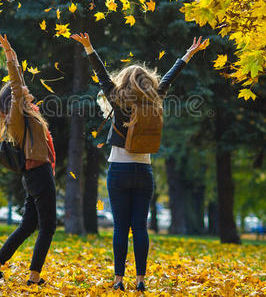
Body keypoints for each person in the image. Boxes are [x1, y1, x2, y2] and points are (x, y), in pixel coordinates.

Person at [71, 32, 207, 292]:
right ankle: (141, 279)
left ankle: (119, 280)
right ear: (147, 82)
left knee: (121, 228)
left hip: (119, 171)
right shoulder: (154, 99)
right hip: (143, 171)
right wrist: (188, 54)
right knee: (140, 228)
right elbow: (169, 77)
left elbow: (101, 74)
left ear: (124, 81)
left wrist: (89, 46)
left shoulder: (115, 96)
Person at [0, 32, 56, 286]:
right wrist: (7, 57)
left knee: (28, 225)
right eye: (21, 89)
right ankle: (34, 277)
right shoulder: (16, 118)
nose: (25, 88)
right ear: (13, 99)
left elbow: (19, 82)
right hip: (39, 175)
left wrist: (13, 54)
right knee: (48, 226)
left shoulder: (26, 113)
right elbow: (16, 85)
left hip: (34, 175)